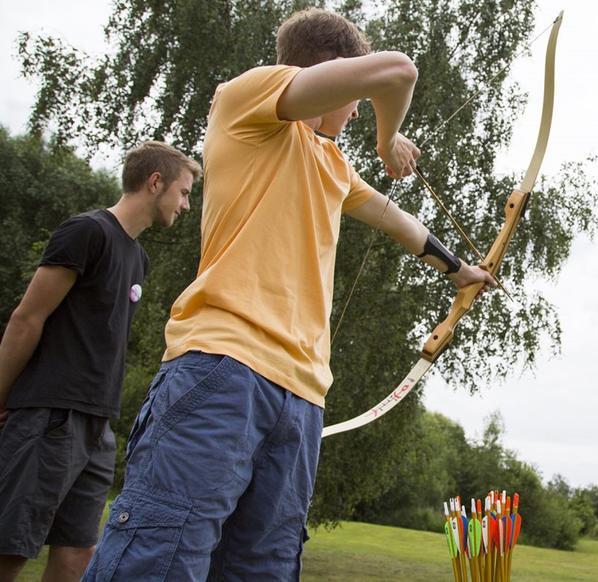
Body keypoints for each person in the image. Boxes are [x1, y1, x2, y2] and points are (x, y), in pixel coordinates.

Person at [84, 8, 496, 580]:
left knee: (264, 569)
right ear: (335, 71)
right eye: (353, 95)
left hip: (300, 397)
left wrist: (458, 271)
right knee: (159, 560)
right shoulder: (246, 101)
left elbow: (395, 219)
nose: (355, 112)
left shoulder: (330, 162)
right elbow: (398, 72)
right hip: (223, 368)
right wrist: (387, 139)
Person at [0, 141, 200, 582]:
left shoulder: (138, 258)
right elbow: (27, 318)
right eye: (183, 192)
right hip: (51, 414)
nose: (186, 204)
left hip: (97, 425)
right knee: (10, 547)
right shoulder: (87, 232)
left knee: (77, 553)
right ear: (155, 183)